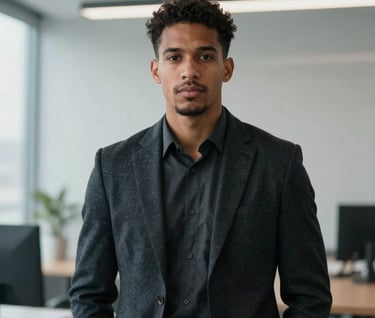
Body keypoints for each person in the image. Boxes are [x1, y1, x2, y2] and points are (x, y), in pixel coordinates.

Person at [69, 0, 332, 317]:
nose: (189, 71)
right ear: (156, 70)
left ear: (227, 68)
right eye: (174, 57)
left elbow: (310, 297)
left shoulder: (278, 163)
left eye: (205, 56)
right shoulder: (113, 167)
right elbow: (88, 294)